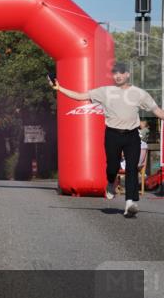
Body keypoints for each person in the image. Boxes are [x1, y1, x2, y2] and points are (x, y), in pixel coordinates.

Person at [54, 62, 164, 218]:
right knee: (112, 167)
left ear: (127, 74)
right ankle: (111, 182)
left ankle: (130, 203)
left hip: (132, 135)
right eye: (115, 73)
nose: (117, 76)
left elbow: (158, 111)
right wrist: (60, 88)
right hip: (112, 134)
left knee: (132, 168)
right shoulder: (105, 91)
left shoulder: (140, 93)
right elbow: (80, 96)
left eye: (121, 73)